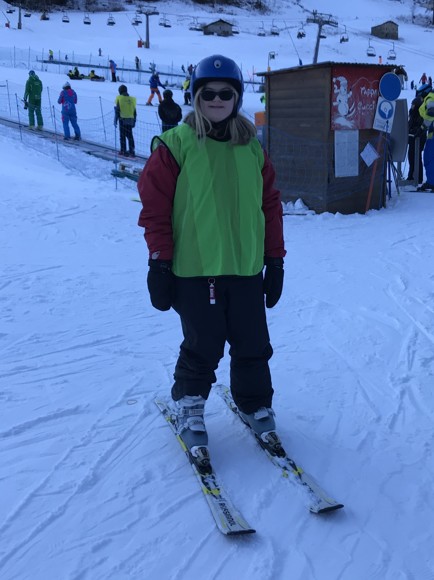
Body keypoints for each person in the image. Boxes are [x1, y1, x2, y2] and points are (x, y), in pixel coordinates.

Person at [137, 55, 286, 470]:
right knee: (203, 345)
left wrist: (275, 260)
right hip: (195, 269)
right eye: (209, 93)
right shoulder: (175, 145)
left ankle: (255, 404)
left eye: (226, 93)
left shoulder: (252, 147)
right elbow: (155, 210)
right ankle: (189, 404)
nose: (217, 100)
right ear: (195, 97)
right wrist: (159, 263)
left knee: (252, 343)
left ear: (236, 98)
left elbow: (270, 206)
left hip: (245, 268)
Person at [407, 90, 428, 183]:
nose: (412, 107)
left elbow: (419, 126)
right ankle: (413, 176)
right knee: (412, 156)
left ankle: (416, 177)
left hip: (418, 137)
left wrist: (413, 130)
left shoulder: (420, 113)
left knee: (415, 156)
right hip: (414, 136)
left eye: (413, 105)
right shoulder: (413, 113)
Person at [114, 84, 136, 157]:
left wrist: (115, 120)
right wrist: (134, 121)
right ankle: (132, 151)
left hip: (122, 120)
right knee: (130, 136)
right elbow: (134, 111)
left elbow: (117, 110)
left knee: (122, 136)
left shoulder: (120, 99)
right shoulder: (132, 99)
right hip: (130, 120)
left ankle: (123, 150)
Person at [418, 88, 434, 190]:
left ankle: (432, 182)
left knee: (429, 158)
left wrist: (422, 128)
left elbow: (431, 113)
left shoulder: (430, 97)